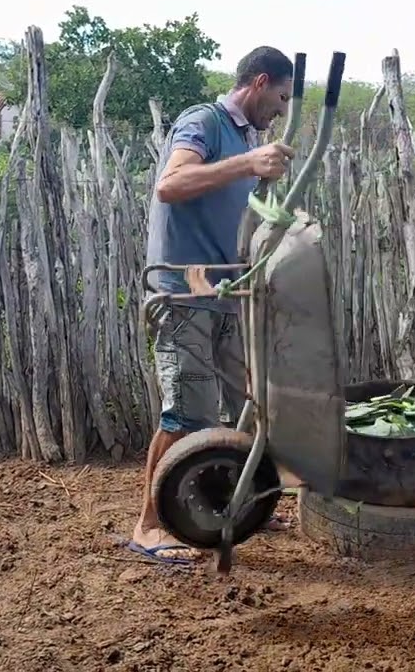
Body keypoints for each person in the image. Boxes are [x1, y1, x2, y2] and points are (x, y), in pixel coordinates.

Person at [130, 46, 296, 563]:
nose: (282, 110)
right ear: (260, 81)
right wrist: (247, 163)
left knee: (245, 400)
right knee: (185, 413)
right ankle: (149, 526)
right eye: (281, 97)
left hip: (225, 290)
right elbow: (171, 185)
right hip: (183, 293)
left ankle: (231, 502)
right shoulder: (203, 121)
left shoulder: (250, 136)